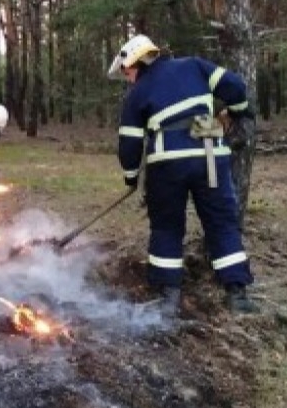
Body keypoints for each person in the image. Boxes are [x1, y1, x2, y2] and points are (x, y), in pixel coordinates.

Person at [108, 34, 258, 315]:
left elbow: (129, 142)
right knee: (222, 223)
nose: (128, 79)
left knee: (166, 226)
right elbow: (235, 86)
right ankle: (237, 293)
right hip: (210, 156)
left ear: (138, 62)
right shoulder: (195, 65)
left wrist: (130, 176)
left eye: (127, 73)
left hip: (167, 165)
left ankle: (169, 295)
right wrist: (239, 109)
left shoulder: (138, 92)